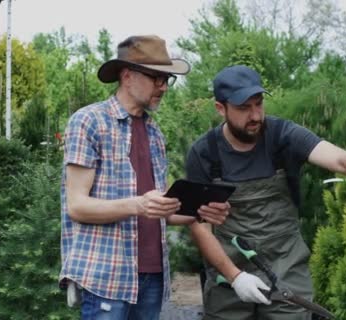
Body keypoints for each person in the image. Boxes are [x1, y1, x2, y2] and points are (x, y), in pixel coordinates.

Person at [185, 65, 346, 320]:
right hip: (227, 268)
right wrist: (235, 277)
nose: (255, 115)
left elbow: (339, 159)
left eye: (259, 104)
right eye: (244, 108)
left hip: (284, 263)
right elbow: (198, 225)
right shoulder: (205, 153)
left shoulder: (281, 135)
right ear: (221, 108)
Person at [59, 35, 230, 320]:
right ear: (127, 75)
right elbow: (77, 206)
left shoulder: (154, 133)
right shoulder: (88, 121)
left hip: (152, 277)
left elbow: (161, 209)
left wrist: (202, 211)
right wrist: (138, 205)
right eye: (157, 78)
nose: (163, 87)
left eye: (167, 79)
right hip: (106, 277)